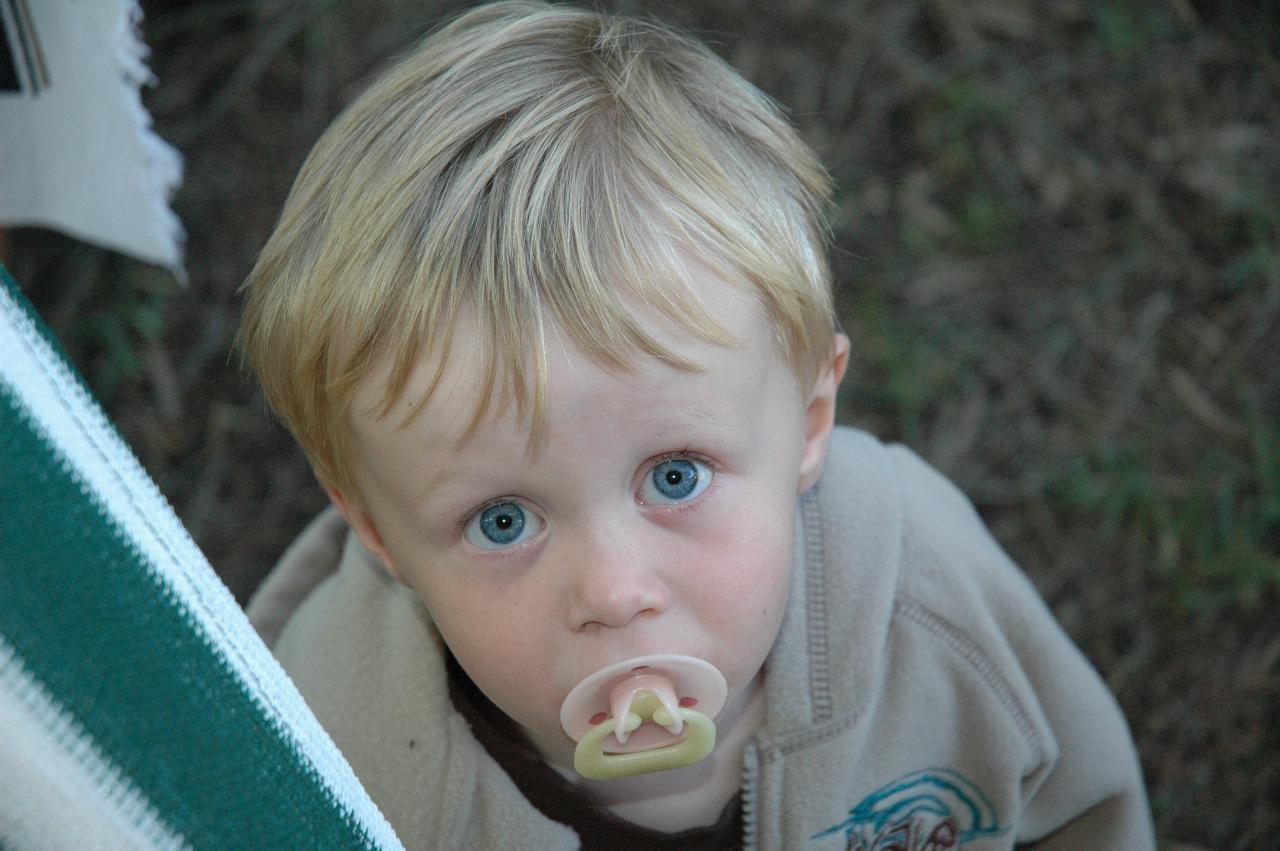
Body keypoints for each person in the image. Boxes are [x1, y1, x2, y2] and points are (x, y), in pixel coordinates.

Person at [239, 2, 1155, 847]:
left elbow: (1085, 812)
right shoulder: (335, 760)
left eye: (675, 475)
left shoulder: (932, 608)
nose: (613, 590)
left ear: (808, 419)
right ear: (375, 529)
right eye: (502, 520)